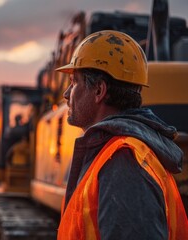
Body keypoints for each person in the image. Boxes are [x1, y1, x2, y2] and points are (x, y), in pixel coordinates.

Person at [55, 30, 188, 239]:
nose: (66, 93)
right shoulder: (114, 153)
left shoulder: (122, 161)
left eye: (74, 82)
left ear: (99, 90)